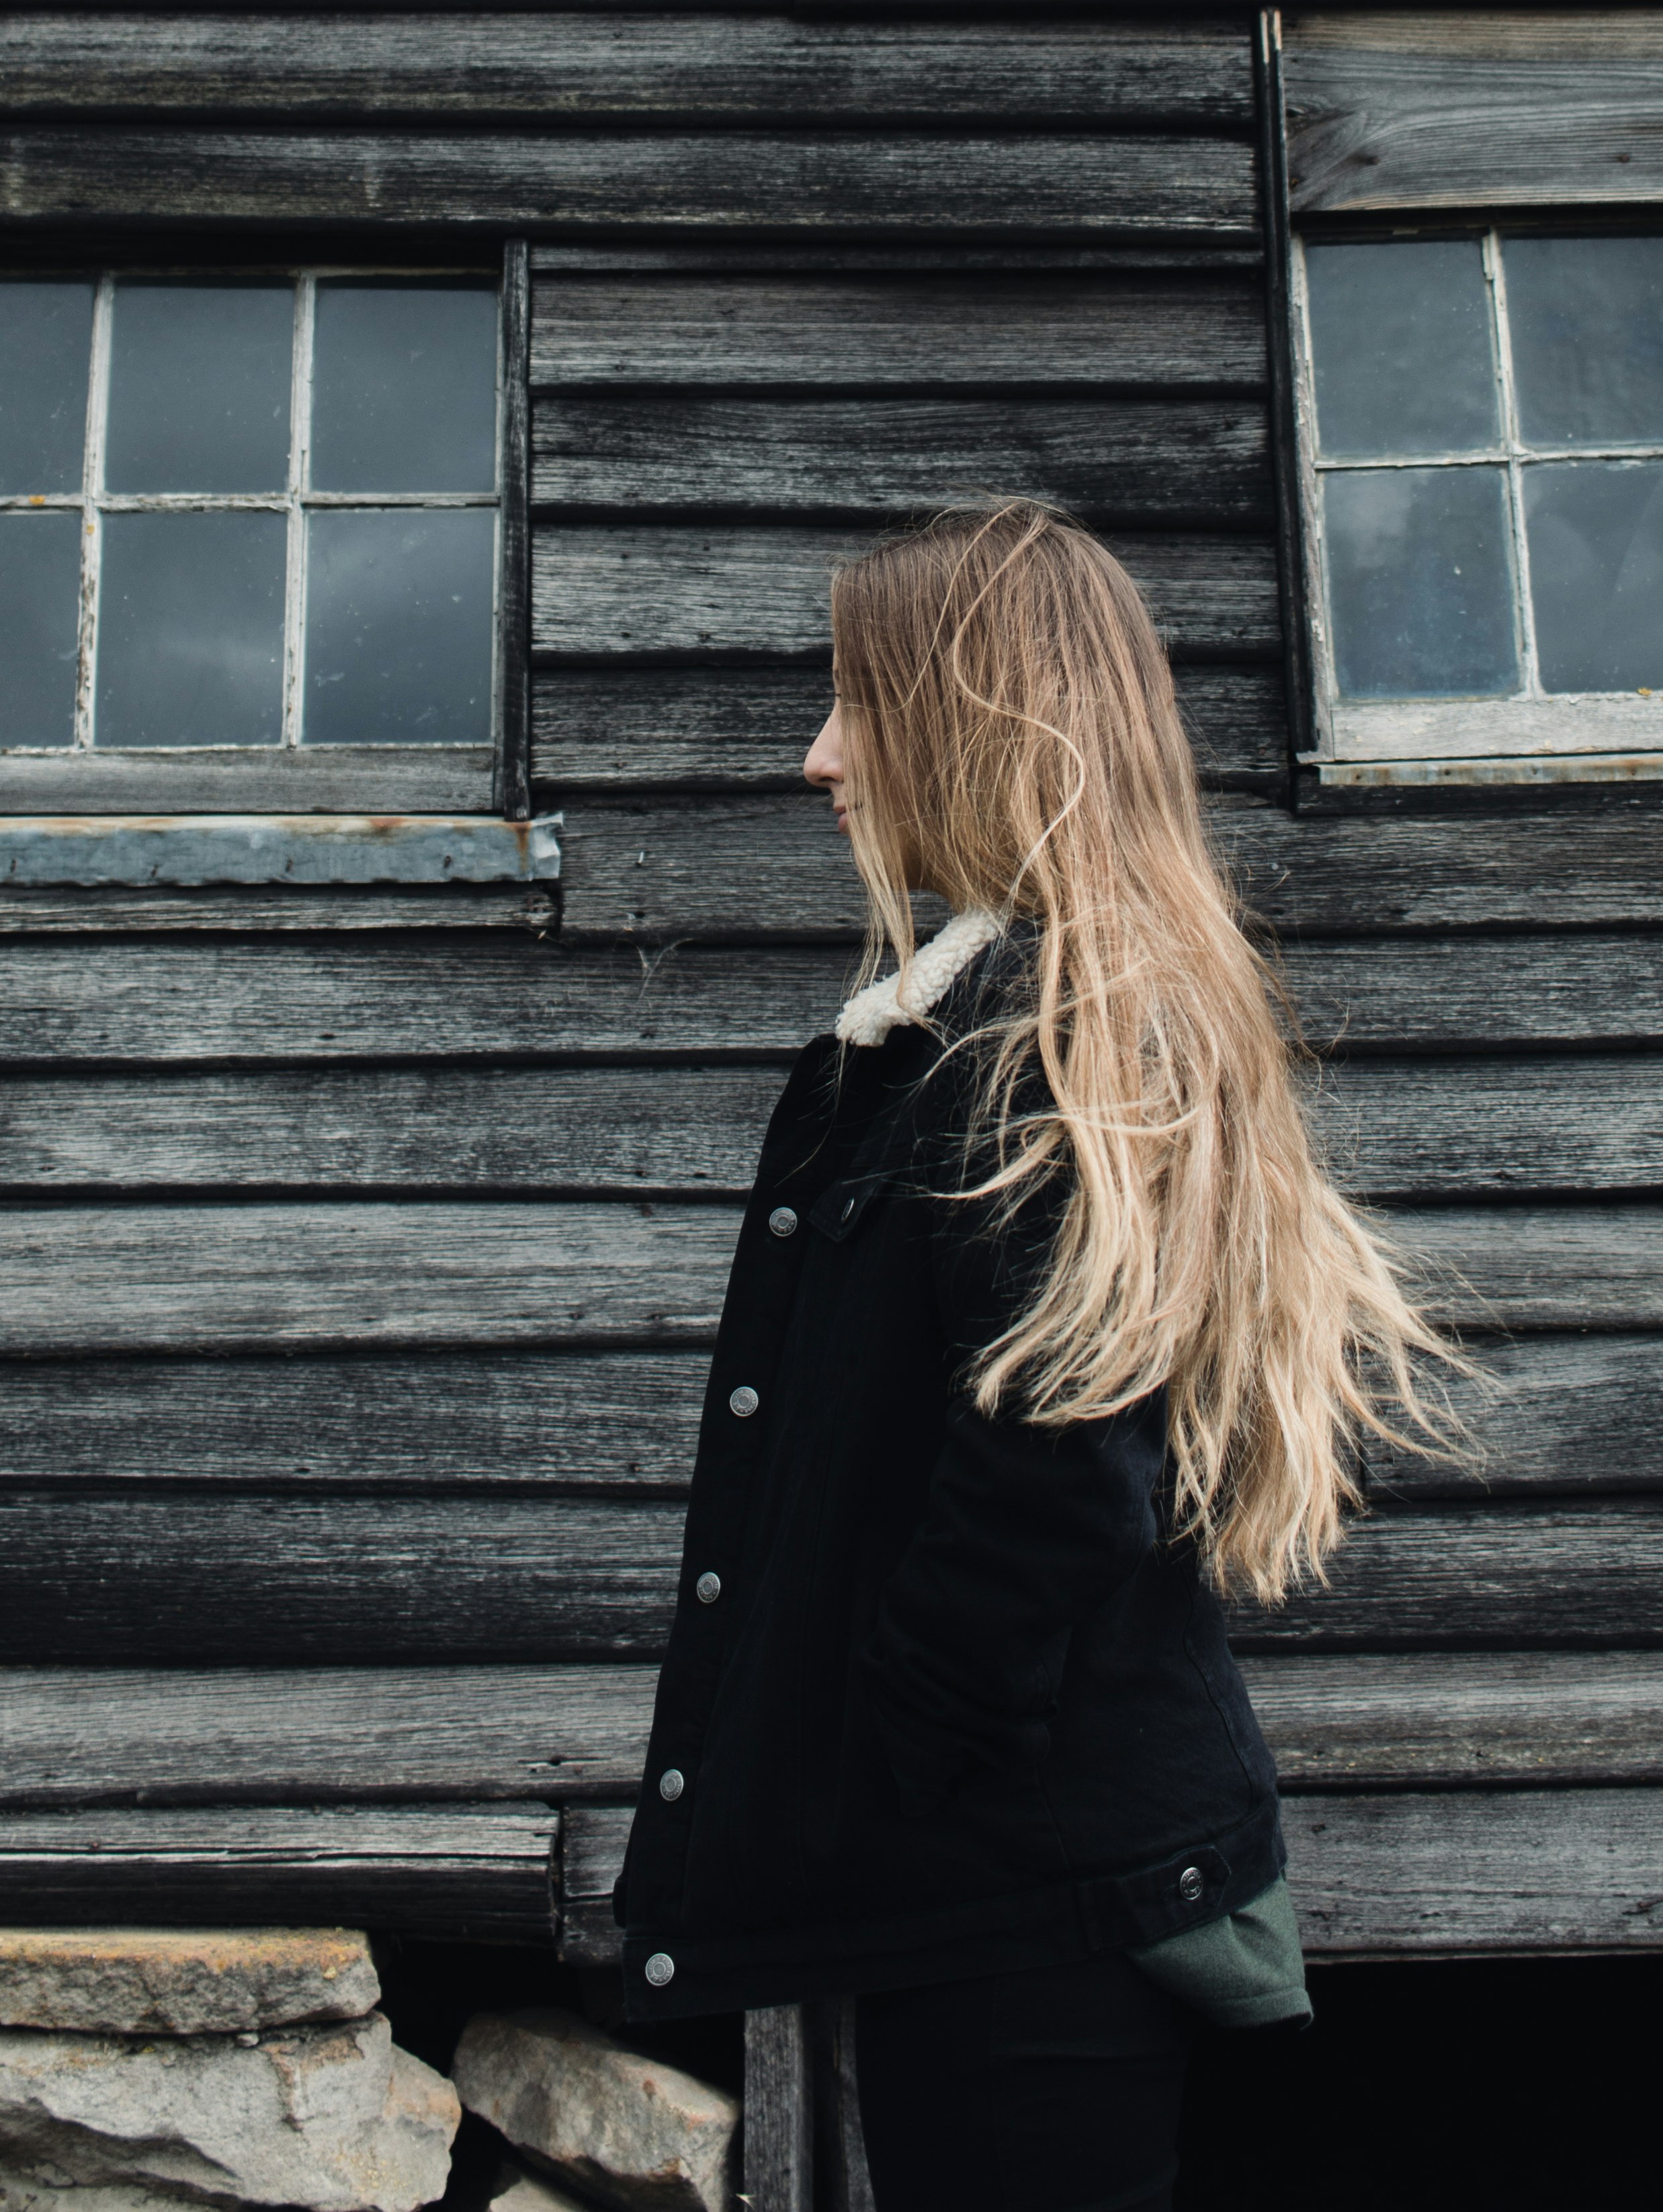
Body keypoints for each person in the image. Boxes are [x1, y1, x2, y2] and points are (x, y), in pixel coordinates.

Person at [613, 500, 1456, 2212]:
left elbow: (1062, 1463)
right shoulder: (997, 1026)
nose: (817, 757)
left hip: (1027, 1897)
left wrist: (897, 1750)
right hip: (993, 1878)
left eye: (857, 703)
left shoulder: (1040, 1049)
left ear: (973, 720)